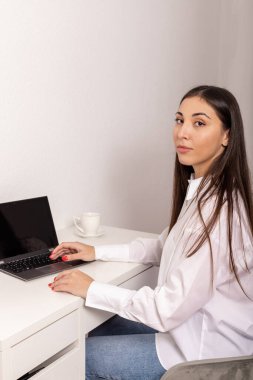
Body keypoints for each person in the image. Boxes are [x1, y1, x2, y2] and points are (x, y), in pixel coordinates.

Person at [49, 85, 253, 380]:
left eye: (199, 123)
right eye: (180, 120)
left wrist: (91, 287)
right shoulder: (205, 191)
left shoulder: (219, 214)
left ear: (227, 136)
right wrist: (96, 251)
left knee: (76, 359)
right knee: (97, 325)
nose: (183, 132)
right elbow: (164, 245)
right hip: (183, 330)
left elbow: (165, 309)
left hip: (200, 353)